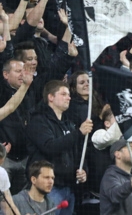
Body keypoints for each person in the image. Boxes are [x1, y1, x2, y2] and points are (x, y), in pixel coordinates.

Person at [26, 80, 92, 215]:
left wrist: (83, 170)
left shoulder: (69, 124)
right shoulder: (38, 120)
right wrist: (78, 133)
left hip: (69, 187)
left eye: (69, 94)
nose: (69, 97)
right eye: (63, 94)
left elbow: (78, 151)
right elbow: (49, 147)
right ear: (50, 97)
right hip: (50, 188)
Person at [100, 139, 132, 215]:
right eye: (130, 147)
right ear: (117, 154)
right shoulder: (110, 176)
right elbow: (114, 195)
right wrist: (131, 184)